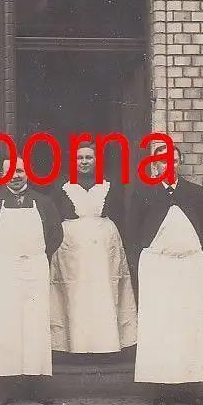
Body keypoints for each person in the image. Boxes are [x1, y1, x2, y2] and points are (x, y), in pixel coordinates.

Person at [0, 155, 64, 405]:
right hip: (3, 269)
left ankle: (36, 386)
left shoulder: (43, 202)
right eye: (10, 172)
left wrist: (37, 256)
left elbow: (56, 235)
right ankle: (5, 388)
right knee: (4, 326)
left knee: (35, 325)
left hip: (35, 268)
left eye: (19, 171)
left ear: (27, 173)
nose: (15, 176)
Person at [130, 142, 203, 405]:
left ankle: (191, 390)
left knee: (191, 326)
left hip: (189, 268)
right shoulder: (143, 192)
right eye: (162, 160)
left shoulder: (195, 193)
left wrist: (192, 261)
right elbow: (132, 232)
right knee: (162, 327)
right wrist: (147, 264)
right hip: (157, 269)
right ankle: (163, 391)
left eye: (174, 160)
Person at [49, 141, 138, 354]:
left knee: (103, 289)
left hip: (103, 247)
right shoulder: (62, 185)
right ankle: (76, 346)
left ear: (96, 160)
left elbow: (119, 213)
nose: (84, 162)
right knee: (75, 292)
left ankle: (106, 345)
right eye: (80, 158)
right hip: (72, 249)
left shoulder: (109, 184)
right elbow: (53, 217)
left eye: (89, 157)